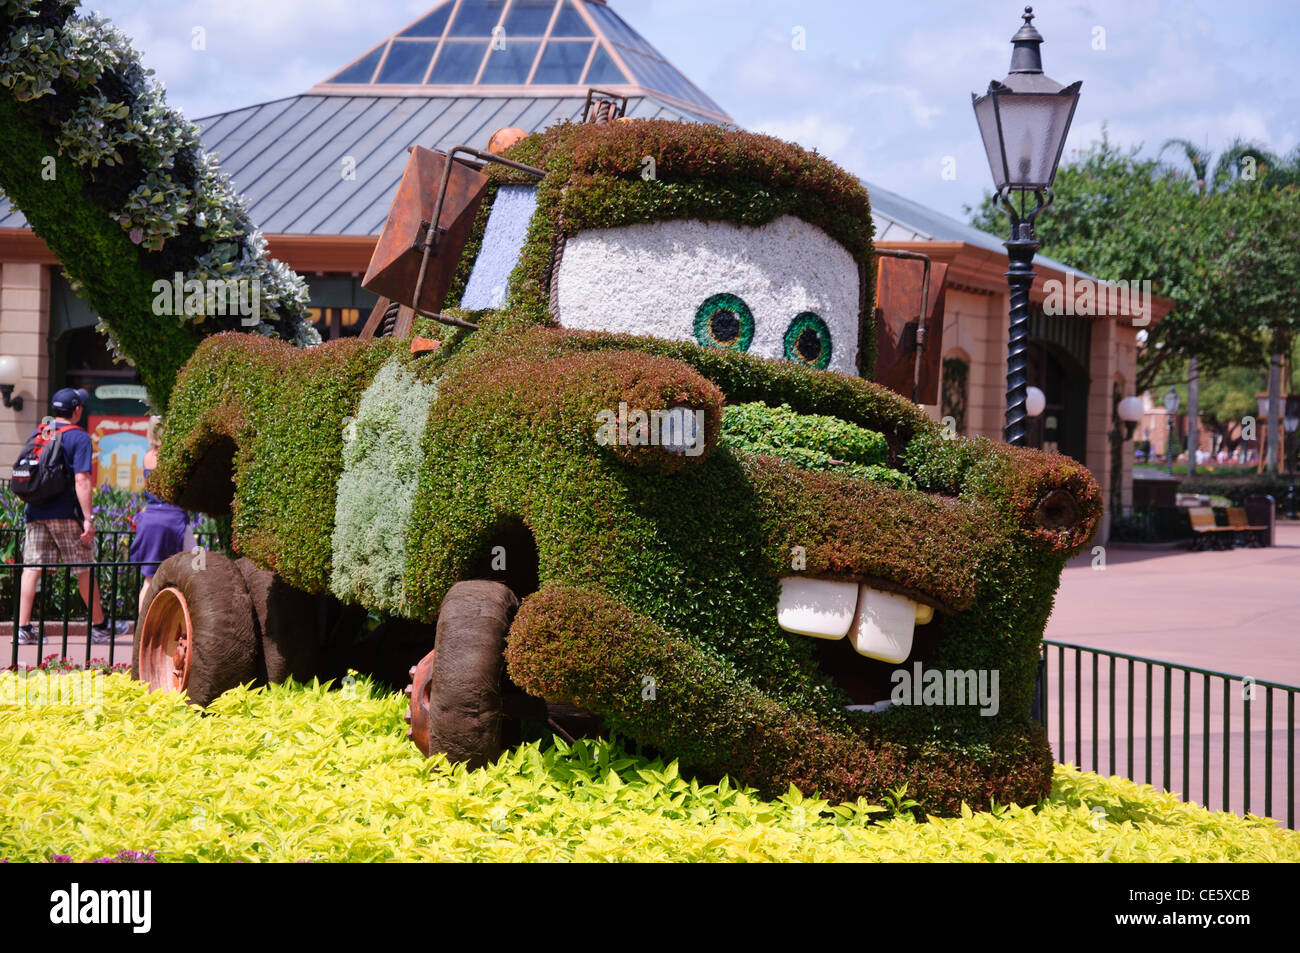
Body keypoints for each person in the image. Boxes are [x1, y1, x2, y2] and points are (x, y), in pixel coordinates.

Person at [16, 388, 132, 645]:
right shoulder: (78, 437)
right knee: (84, 568)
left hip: (35, 511)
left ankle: (22, 628)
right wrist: (88, 518)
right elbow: (81, 479)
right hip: (66, 514)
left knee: (32, 568)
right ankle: (100, 626)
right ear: (77, 409)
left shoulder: (43, 430)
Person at [130, 417, 193, 618]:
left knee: (149, 579)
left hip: (150, 518)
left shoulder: (147, 457)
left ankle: (142, 631)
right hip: (173, 518)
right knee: (193, 568)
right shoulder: (174, 457)